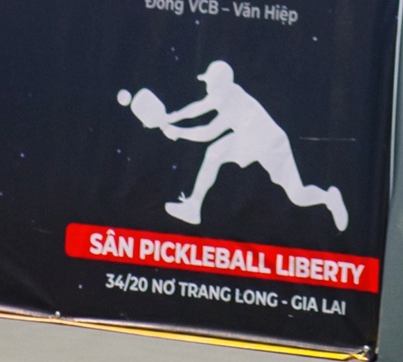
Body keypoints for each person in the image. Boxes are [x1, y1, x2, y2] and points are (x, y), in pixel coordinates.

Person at [146, 61, 348, 233]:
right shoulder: (223, 94)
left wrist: (178, 133)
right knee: (214, 152)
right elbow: (197, 108)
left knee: (297, 195)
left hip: (272, 144)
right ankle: (193, 207)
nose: (207, 86)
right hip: (251, 141)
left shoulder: (233, 103)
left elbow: (208, 132)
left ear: (220, 85)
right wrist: (170, 117)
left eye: (210, 82)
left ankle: (328, 198)